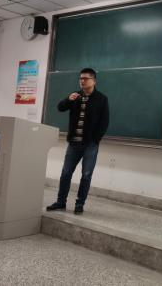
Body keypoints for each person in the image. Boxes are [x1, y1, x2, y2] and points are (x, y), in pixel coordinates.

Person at [46, 68, 109, 215]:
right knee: (66, 173)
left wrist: (95, 140)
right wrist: (68, 99)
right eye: (81, 78)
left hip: (90, 144)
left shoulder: (101, 99)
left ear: (94, 81)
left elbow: (104, 122)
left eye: (86, 78)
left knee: (86, 175)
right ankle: (61, 202)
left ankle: (79, 204)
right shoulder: (75, 95)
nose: (82, 81)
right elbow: (60, 108)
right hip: (74, 143)